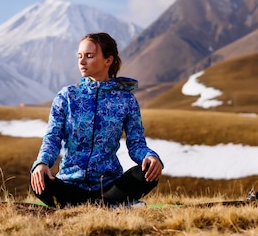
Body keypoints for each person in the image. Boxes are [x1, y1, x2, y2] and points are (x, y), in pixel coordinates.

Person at [30, 32, 163, 208]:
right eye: (79, 56)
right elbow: (53, 137)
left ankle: (91, 205)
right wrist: (42, 163)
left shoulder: (126, 100)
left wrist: (150, 157)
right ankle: (113, 206)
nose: (82, 61)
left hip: (110, 185)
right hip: (70, 184)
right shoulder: (67, 96)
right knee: (39, 181)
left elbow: (136, 143)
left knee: (147, 172)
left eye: (89, 56)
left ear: (108, 60)